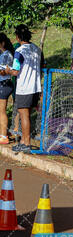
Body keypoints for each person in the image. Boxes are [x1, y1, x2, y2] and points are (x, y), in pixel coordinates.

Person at [5, 25, 44, 153]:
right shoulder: (36, 49)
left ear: (17, 37)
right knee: (25, 116)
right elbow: (43, 65)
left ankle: (26, 143)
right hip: (35, 87)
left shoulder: (20, 51)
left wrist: (7, 70)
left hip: (24, 88)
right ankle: (23, 141)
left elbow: (15, 71)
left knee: (24, 116)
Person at [0, 34, 15, 144]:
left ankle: (4, 136)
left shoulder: (6, 55)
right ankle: (4, 131)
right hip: (5, 83)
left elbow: (4, 71)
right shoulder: (5, 54)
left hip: (4, 84)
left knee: (2, 111)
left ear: (2, 43)